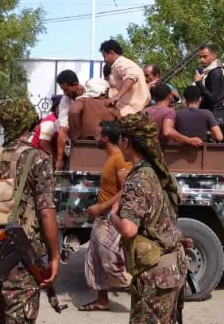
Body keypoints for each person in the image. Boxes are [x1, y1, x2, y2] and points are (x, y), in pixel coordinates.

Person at [0, 96, 61, 324]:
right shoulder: (39, 159)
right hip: (23, 255)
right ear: (29, 123)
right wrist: (55, 254)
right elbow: (46, 210)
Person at [107, 112, 188, 323]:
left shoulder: (138, 179)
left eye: (119, 140)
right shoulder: (156, 171)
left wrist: (112, 215)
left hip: (156, 274)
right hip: (171, 268)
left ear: (126, 142)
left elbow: (128, 229)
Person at [79, 121, 133, 312]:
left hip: (111, 219)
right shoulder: (111, 158)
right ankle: (102, 301)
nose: (94, 138)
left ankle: (144, 290)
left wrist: (102, 206)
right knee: (94, 261)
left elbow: (126, 189)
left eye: (97, 135)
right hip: (101, 219)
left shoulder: (119, 159)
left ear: (106, 138)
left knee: (111, 263)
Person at [100, 39, 150, 116]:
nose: (104, 60)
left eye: (105, 56)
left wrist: (117, 97)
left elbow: (131, 77)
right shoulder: (122, 64)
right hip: (130, 110)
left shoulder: (121, 64)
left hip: (130, 111)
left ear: (111, 53)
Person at [55, 70, 85, 170]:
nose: (65, 93)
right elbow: (62, 130)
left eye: (67, 89)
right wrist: (59, 159)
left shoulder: (92, 93)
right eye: (63, 90)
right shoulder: (65, 100)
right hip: (76, 141)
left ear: (75, 84)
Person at [193, 44, 224, 124]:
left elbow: (213, 98)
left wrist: (199, 83)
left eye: (205, 56)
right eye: (200, 57)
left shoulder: (215, 73)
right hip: (214, 115)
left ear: (214, 56)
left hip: (215, 117)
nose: (202, 60)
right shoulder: (211, 71)